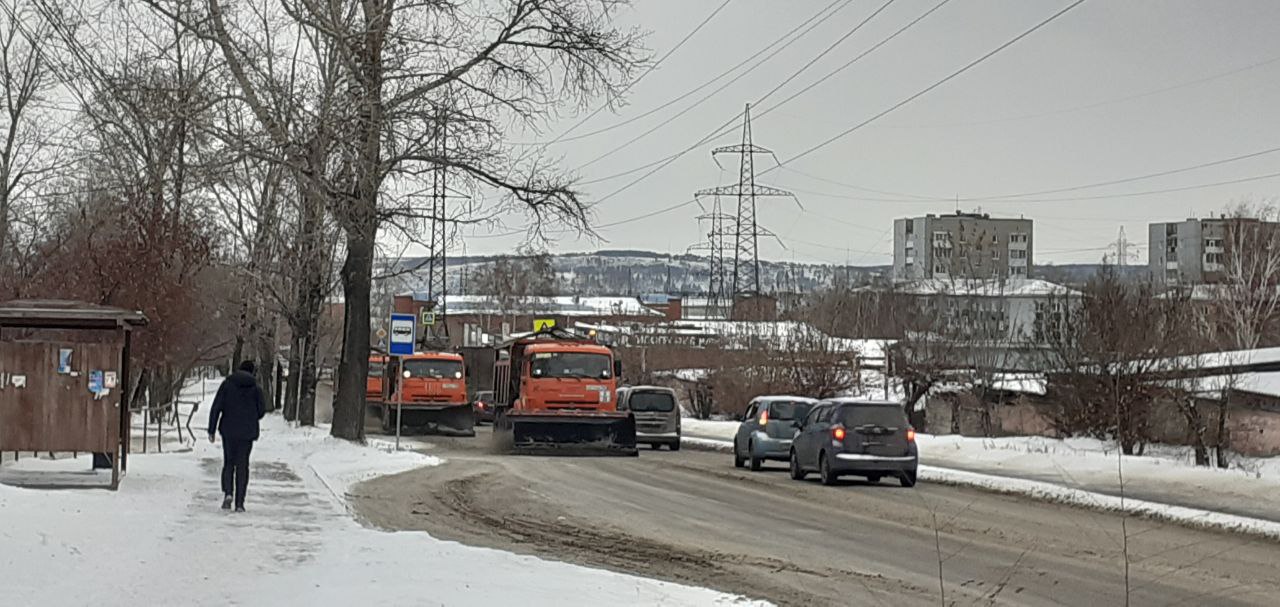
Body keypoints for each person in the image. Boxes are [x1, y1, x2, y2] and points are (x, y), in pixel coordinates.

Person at [208, 360, 266, 513]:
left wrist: (211, 430)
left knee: (228, 463)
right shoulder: (255, 388)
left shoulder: (227, 384)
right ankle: (240, 502)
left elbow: (216, 407)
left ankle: (228, 493)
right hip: (247, 433)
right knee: (243, 466)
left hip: (229, 430)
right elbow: (261, 411)